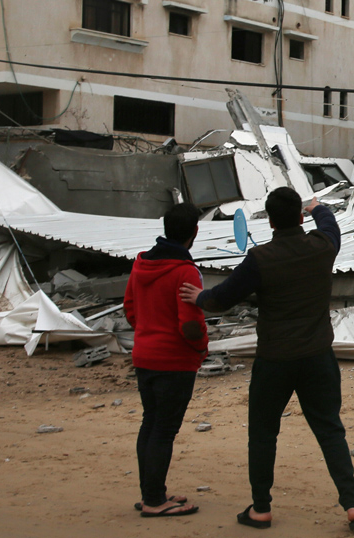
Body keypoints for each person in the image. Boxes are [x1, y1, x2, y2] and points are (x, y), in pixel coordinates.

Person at [179, 187, 354, 532]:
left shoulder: (260, 258)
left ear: (269, 221)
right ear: (299, 217)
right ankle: (353, 506)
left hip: (275, 358)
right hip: (317, 356)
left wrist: (200, 297)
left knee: (264, 433)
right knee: (329, 430)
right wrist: (317, 207)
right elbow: (331, 224)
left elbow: (222, 299)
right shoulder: (322, 247)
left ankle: (261, 509)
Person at [124, 202, 208, 518]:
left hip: (144, 356)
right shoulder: (186, 271)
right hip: (174, 360)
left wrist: (148, 332)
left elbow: (130, 308)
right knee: (163, 429)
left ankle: (151, 492)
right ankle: (155, 500)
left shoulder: (141, 264)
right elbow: (190, 324)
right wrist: (201, 347)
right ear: (194, 233)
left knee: (151, 423)